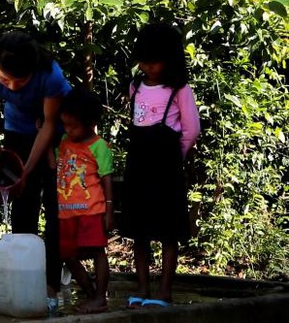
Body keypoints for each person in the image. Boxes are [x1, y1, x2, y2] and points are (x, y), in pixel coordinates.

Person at [0, 31, 72, 311]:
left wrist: (26, 169)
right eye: (4, 80)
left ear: (32, 71)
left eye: (20, 81)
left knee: (54, 209)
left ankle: (51, 284)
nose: (11, 87)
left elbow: (50, 123)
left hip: (57, 137)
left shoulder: (51, 76)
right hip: (16, 132)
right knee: (24, 206)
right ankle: (24, 279)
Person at [122, 23, 201, 308]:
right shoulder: (135, 87)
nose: (146, 66)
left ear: (169, 60)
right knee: (139, 231)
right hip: (139, 168)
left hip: (166, 169)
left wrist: (174, 158)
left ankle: (165, 291)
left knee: (168, 232)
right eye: (143, 59)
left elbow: (191, 130)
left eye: (153, 60)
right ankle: (141, 288)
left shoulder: (179, 90)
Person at [56, 86, 113, 314]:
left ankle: (100, 297)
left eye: (73, 126)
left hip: (91, 211)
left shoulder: (99, 146)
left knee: (98, 251)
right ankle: (91, 295)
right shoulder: (63, 140)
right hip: (66, 212)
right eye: (65, 125)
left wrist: (109, 211)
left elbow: (106, 179)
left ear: (90, 123)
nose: (68, 130)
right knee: (67, 255)